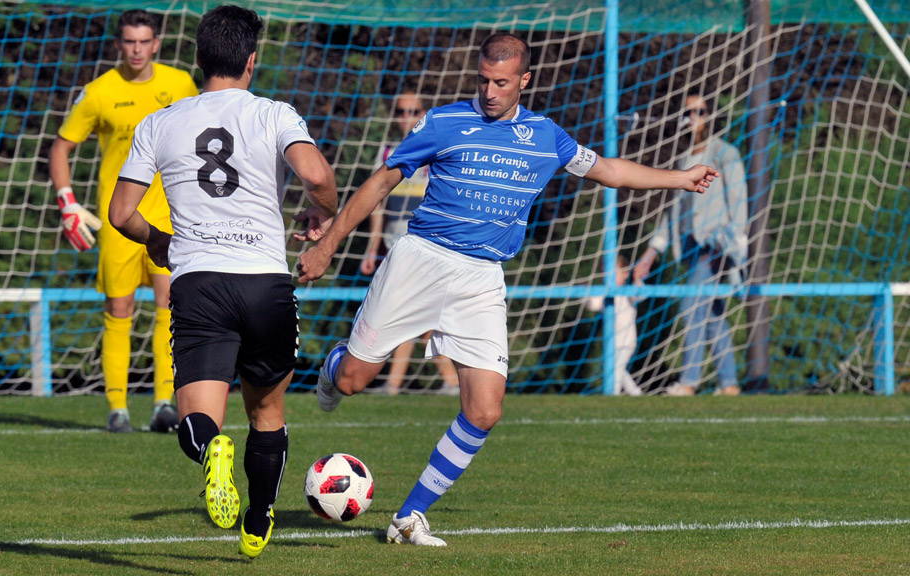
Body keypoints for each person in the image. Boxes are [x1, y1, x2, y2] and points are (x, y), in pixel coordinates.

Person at [296, 33, 719, 546]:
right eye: (483, 81)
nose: (491, 91)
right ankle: (334, 366)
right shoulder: (444, 121)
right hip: (421, 260)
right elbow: (381, 183)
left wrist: (680, 178)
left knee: (485, 410)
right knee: (351, 383)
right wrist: (329, 245)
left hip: (482, 277)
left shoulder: (546, 137)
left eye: (501, 83)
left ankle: (408, 518)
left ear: (524, 80)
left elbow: (608, 170)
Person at [108, 4, 337, 559]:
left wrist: (156, 239)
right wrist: (322, 213)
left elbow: (120, 213)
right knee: (268, 415)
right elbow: (315, 175)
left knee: (196, 420)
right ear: (251, 60)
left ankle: (213, 450)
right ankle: (257, 522)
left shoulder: (160, 121)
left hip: (200, 282)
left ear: (197, 59)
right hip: (264, 281)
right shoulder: (275, 114)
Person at [48, 9, 199, 433]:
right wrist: (67, 203)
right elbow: (60, 148)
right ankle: (118, 409)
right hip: (118, 221)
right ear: (119, 44)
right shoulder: (99, 91)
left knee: (170, 306)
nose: (136, 49)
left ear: (156, 44)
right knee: (119, 307)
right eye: (129, 41)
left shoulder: (180, 85)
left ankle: (164, 405)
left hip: (168, 219)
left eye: (144, 41)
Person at [633, 90, 748, 397]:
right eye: (686, 113)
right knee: (712, 315)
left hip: (716, 248)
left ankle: (689, 381)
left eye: (698, 112)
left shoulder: (725, 153)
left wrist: (736, 246)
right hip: (691, 248)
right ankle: (730, 384)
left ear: (710, 115)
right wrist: (651, 252)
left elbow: (738, 204)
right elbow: (672, 214)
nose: (691, 119)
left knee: (691, 306)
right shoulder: (683, 160)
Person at [361, 91, 459, 396]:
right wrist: (371, 246)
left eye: (413, 111)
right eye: (401, 111)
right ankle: (401, 383)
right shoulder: (388, 151)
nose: (407, 117)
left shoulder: (436, 148)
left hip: (426, 243)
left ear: (424, 113)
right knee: (409, 312)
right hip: (395, 242)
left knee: (409, 311)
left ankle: (444, 380)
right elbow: (378, 203)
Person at [585, 253, 644, 396]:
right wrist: (584, 294)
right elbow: (593, 304)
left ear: (625, 274)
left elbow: (640, 295)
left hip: (626, 341)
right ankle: (636, 393)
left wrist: (637, 280)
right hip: (611, 341)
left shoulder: (627, 292)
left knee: (615, 369)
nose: (607, 277)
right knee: (618, 369)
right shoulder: (604, 293)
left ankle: (613, 394)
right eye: (604, 273)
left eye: (613, 273)